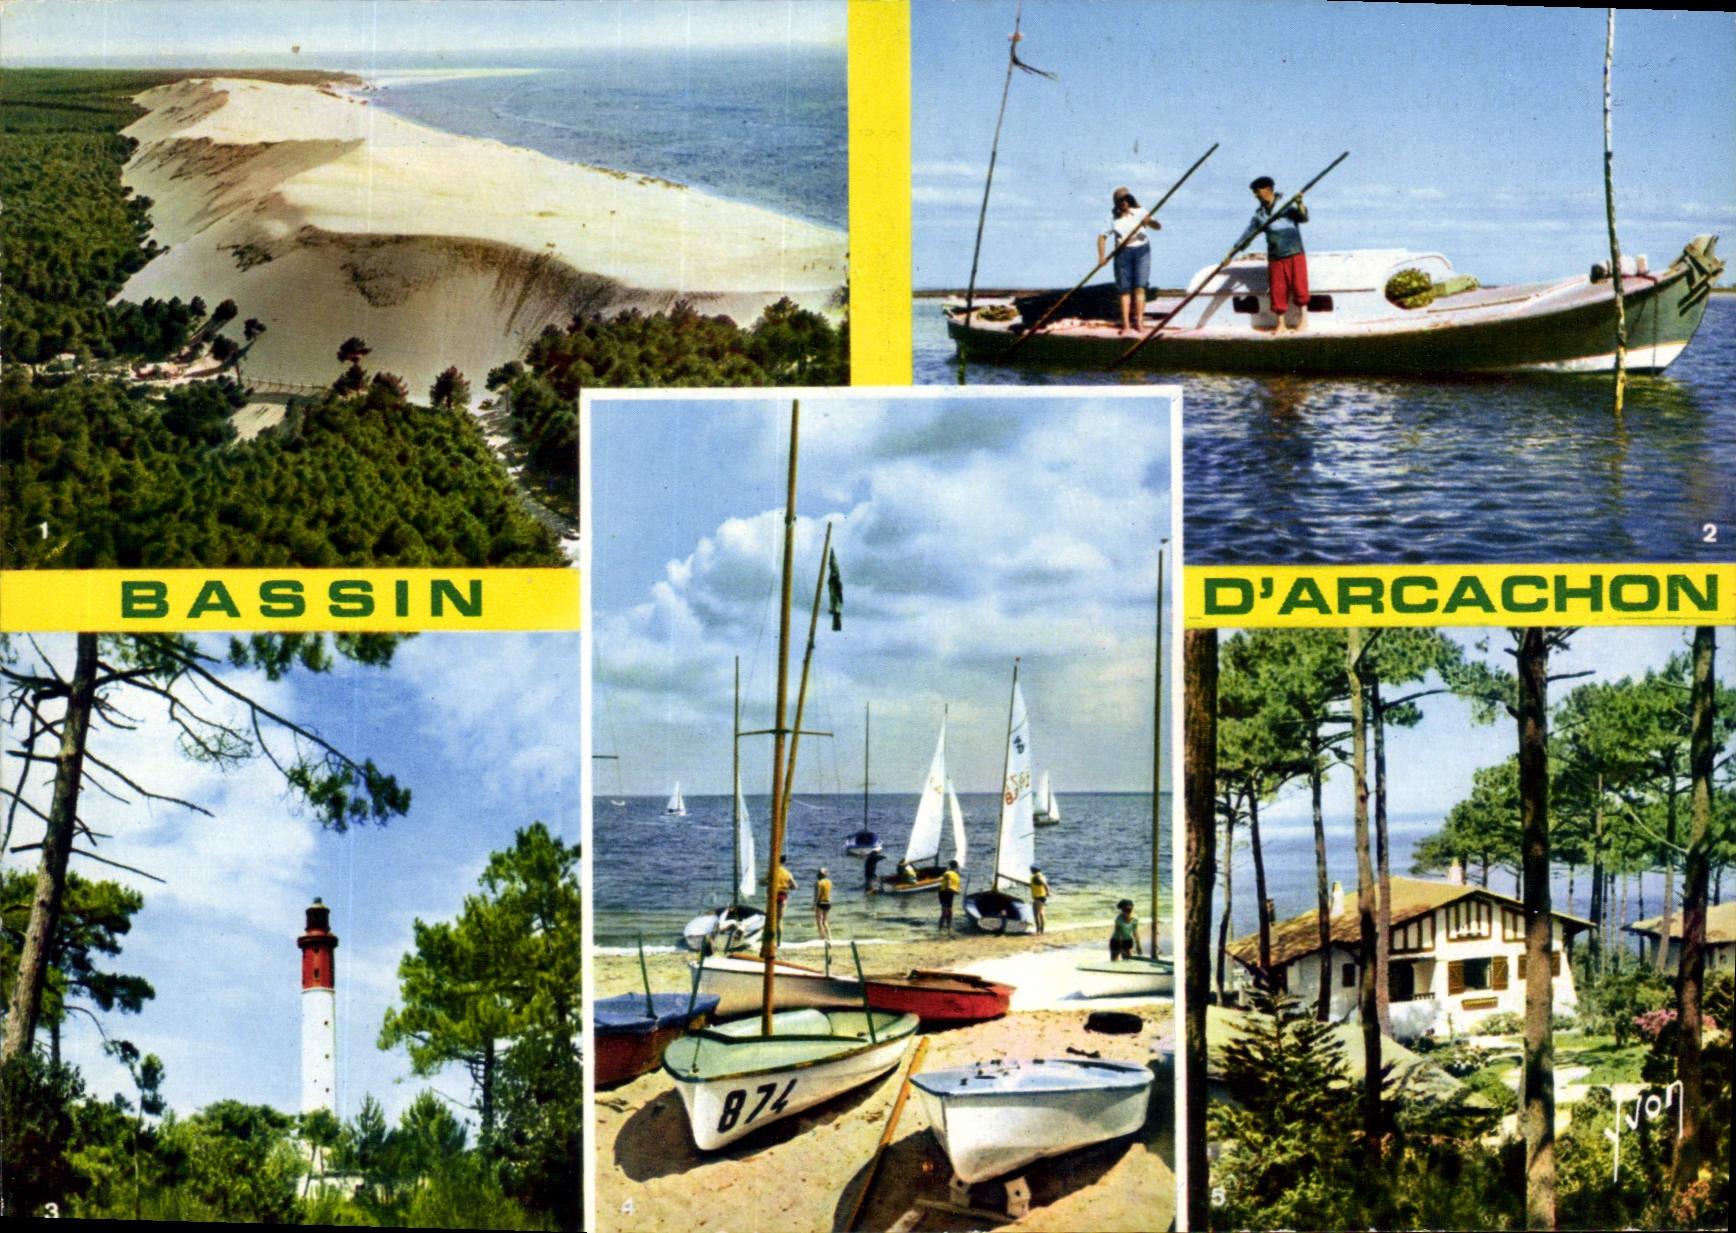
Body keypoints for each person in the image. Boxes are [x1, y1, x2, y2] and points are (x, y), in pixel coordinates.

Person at [1234, 175, 1310, 333]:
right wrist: (1235, 249)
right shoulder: (1259, 214)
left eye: (1257, 191)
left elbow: (1303, 218)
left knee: (1299, 287)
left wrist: (1300, 202)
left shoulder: (1286, 204)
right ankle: (1280, 324)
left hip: (1294, 253)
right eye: (1254, 193)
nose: (1255, 195)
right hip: (1276, 256)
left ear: (1268, 190)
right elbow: (1248, 234)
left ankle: (1303, 321)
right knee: (1277, 291)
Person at [1097, 187, 1161, 334]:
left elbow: (1158, 227)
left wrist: (1148, 221)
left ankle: (1139, 323)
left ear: (1130, 200)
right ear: (1116, 203)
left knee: (1140, 287)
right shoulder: (1112, 216)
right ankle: (1126, 325)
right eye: (1120, 201)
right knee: (1124, 290)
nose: (1124, 203)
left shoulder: (1140, 211)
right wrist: (1101, 256)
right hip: (1122, 253)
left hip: (1142, 251)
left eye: (1126, 199)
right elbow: (1102, 237)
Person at [772, 856, 794, 940]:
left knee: (771, 919)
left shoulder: (773, 871)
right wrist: (789, 887)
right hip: (782, 896)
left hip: (773, 896)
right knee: (779, 920)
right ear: (784, 863)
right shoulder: (787, 873)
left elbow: (762, 881)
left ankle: (771, 941)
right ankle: (778, 942)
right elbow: (795, 886)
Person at [938, 859, 961, 932]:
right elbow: (949, 887)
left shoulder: (954, 875)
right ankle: (941, 929)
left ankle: (948, 928)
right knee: (945, 912)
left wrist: (957, 890)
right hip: (944, 893)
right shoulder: (949, 874)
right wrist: (957, 891)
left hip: (949, 893)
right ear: (957, 867)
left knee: (949, 912)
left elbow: (954, 886)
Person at [813, 867, 833, 941]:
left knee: (819, 921)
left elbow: (817, 895)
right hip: (827, 902)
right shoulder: (829, 882)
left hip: (820, 902)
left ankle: (822, 937)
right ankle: (830, 937)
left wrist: (814, 904)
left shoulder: (818, 883)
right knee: (825, 921)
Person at [1029, 864, 1049, 934]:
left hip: (1038, 897)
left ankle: (1038, 931)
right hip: (1042, 897)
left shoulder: (1036, 877)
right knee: (1041, 914)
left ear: (1034, 870)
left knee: (1036, 914)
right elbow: (1041, 884)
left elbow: (1044, 884)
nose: (1030, 871)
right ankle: (1042, 931)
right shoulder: (1040, 875)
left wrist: (1047, 892)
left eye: (1031, 869)